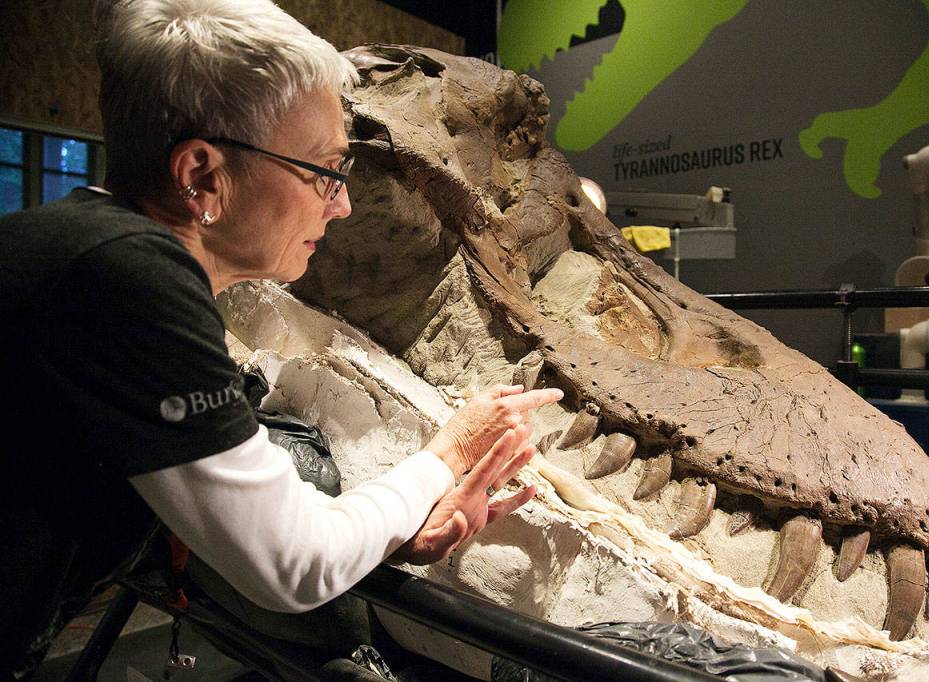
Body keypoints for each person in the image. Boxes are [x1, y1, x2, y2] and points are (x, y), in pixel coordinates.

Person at [0, 0, 562, 677]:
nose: (342, 203)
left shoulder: (75, 243)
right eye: (324, 170)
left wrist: (380, 535)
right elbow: (293, 564)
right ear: (203, 177)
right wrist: (450, 451)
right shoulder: (127, 276)